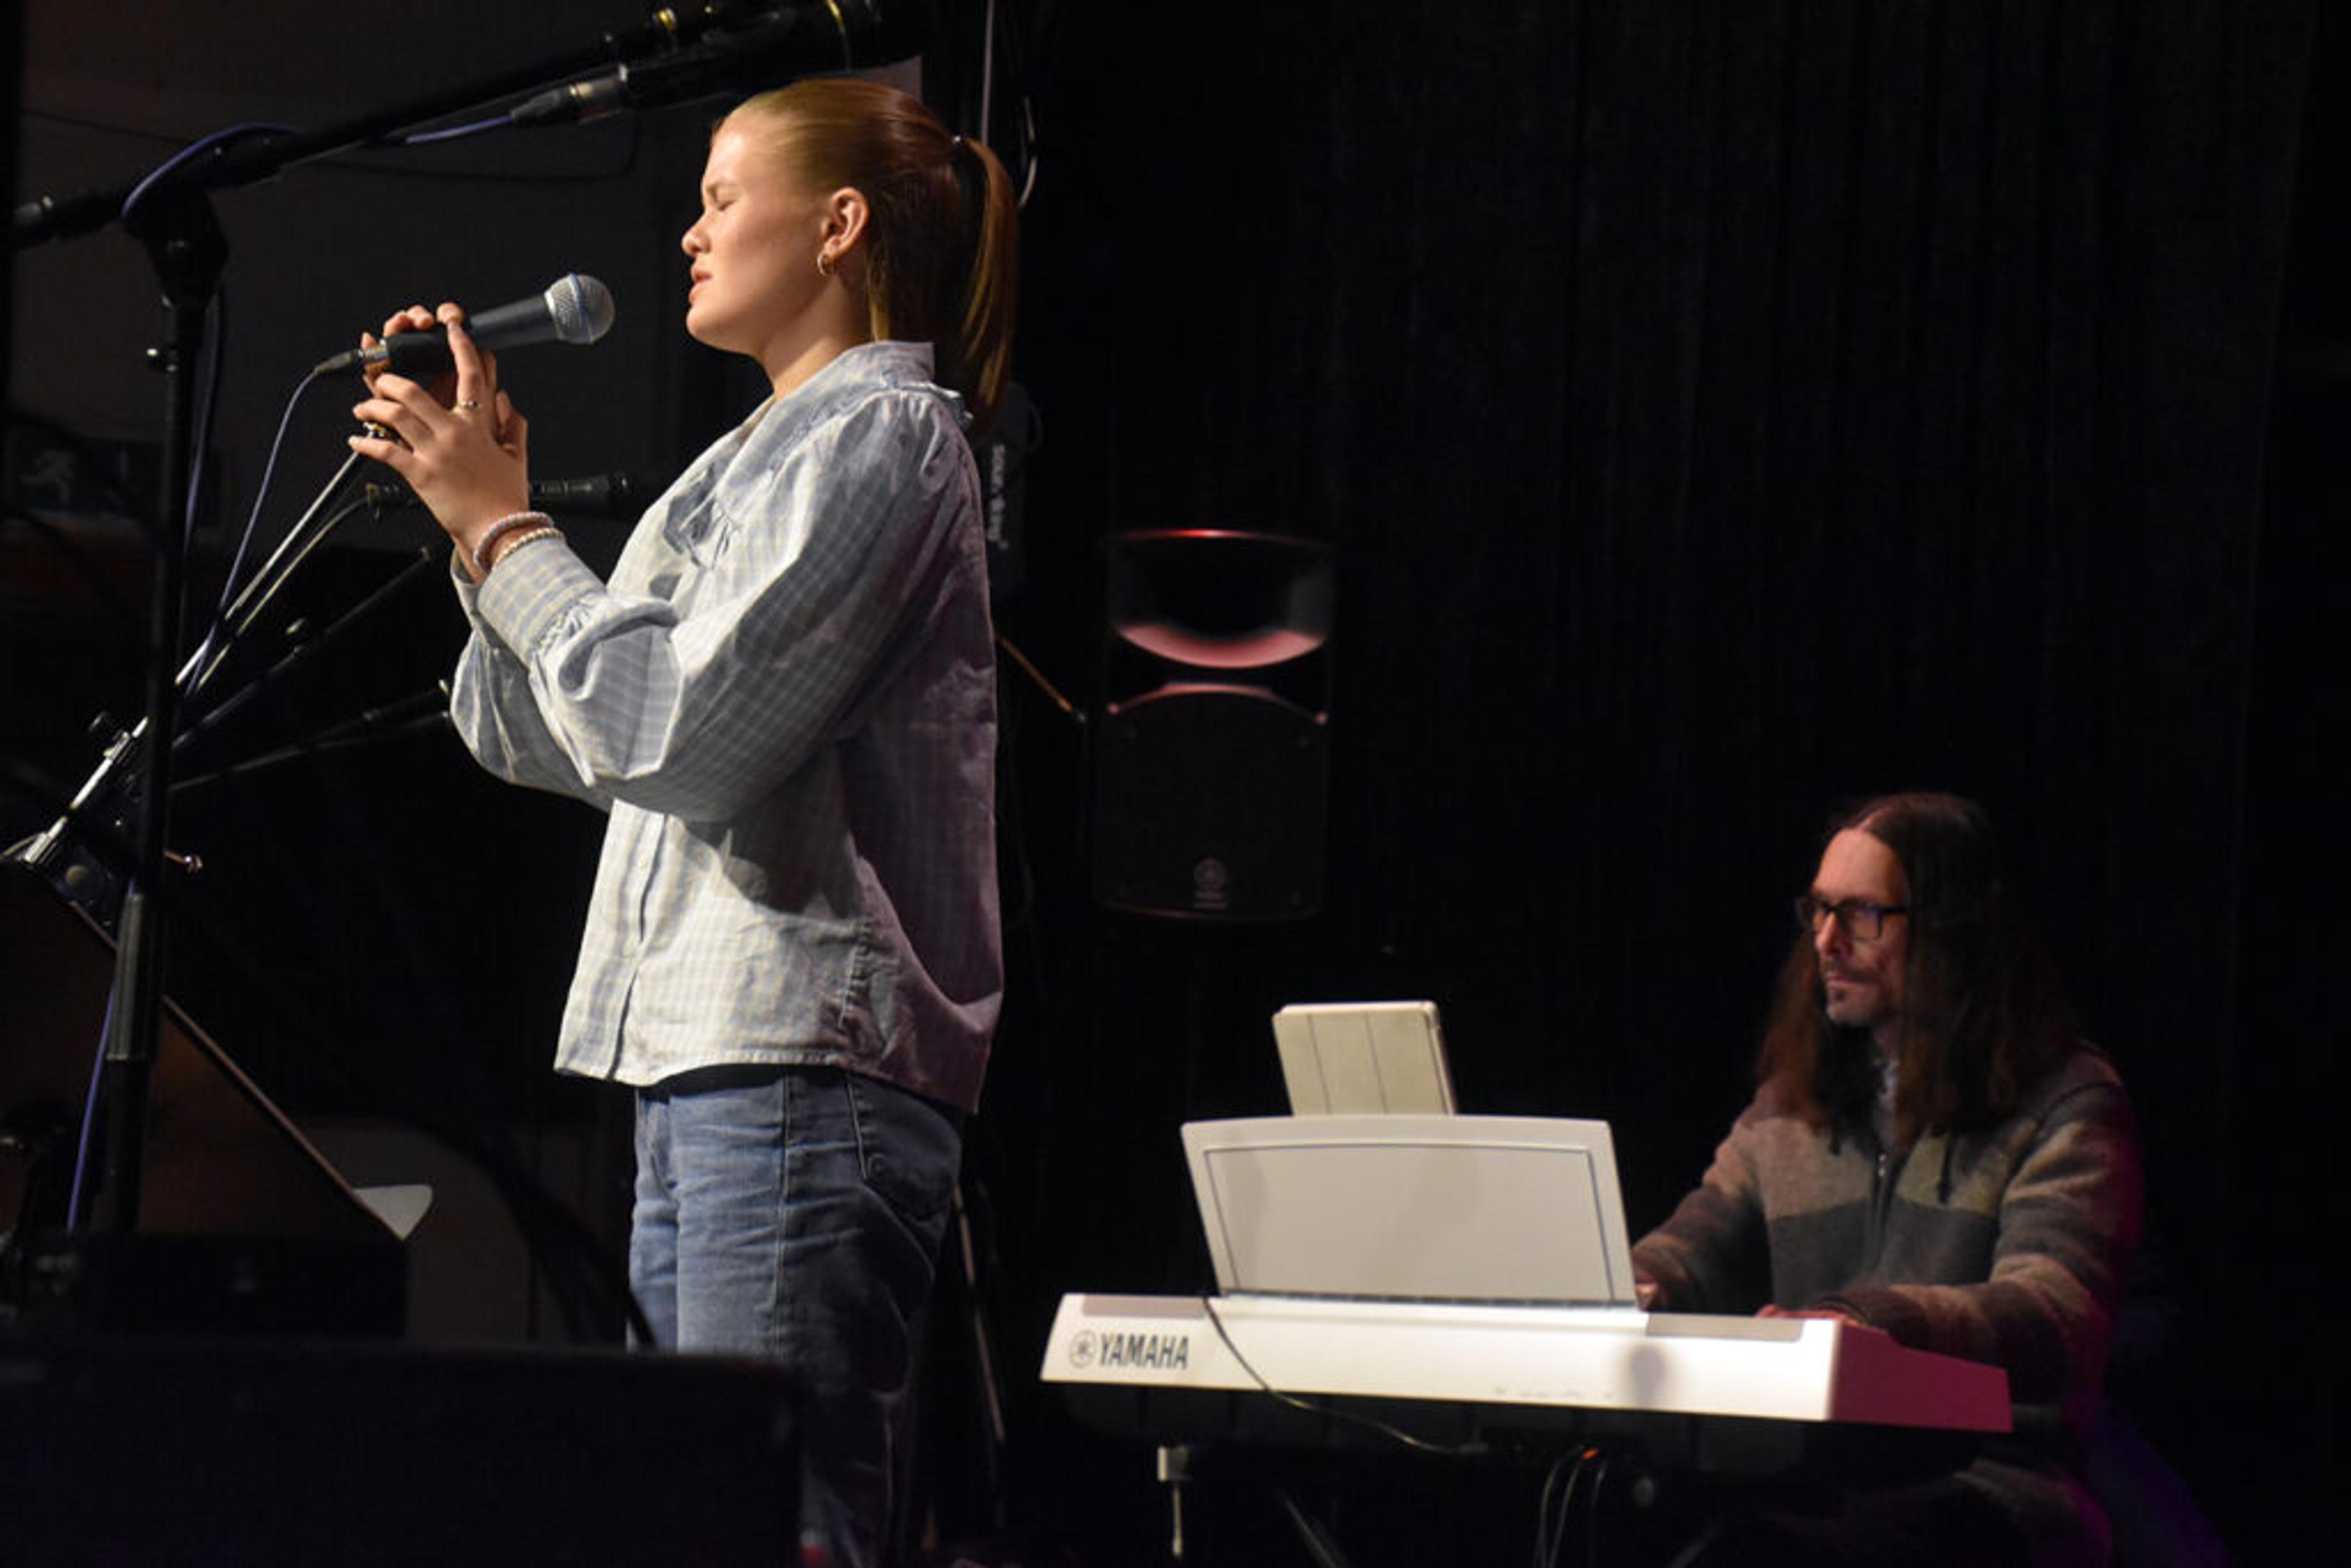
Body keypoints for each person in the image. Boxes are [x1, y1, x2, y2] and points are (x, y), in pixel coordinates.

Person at [347, 78, 1018, 1568]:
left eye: (721, 197)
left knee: (763, 1520)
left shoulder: (886, 436)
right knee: (690, 1511)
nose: (690, 232)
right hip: (709, 1064)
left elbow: (676, 735)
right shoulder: (744, 461)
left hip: (796, 1067)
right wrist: (482, 537)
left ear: (838, 225)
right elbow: (553, 734)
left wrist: (507, 529)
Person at [1631, 792, 2142, 1567]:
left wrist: (1868, 1323)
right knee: (1609, 1512)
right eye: (1819, 909)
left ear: (1948, 929)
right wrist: (1634, 1283)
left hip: (1989, 1478)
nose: (1826, 941)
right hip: (1812, 1467)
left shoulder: (2064, 1099)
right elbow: (1701, 1236)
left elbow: (2056, 1309)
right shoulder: (1790, 1106)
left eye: (1862, 914)